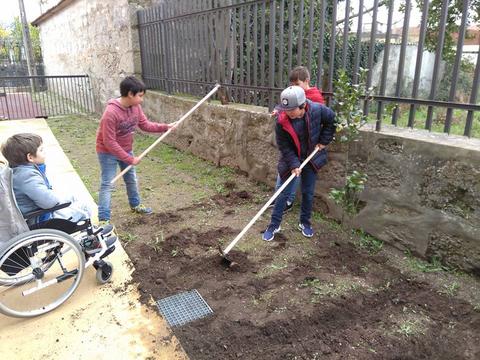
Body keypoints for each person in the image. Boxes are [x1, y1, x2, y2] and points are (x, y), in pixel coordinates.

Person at [1, 133, 114, 254]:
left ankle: (89, 235)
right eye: (41, 150)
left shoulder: (15, 171)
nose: (44, 152)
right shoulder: (27, 176)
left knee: (73, 197)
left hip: (31, 215)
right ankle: (91, 243)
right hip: (40, 220)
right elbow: (49, 202)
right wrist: (62, 200)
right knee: (83, 207)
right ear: (30, 157)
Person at [96, 76, 177, 224]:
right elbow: (109, 142)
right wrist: (130, 159)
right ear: (130, 94)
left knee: (131, 179)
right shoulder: (111, 113)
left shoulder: (136, 108)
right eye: (140, 96)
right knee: (108, 183)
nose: (142, 100)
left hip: (126, 148)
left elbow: (145, 125)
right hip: (107, 152)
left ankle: (135, 205)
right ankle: (103, 218)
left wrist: (166, 127)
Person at [262, 85, 335, 242]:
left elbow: (331, 120)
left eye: (292, 110)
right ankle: (274, 225)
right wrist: (294, 164)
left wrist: (323, 141)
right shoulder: (282, 121)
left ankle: (304, 222)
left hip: (311, 157)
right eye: (285, 109)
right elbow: (284, 147)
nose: (287, 113)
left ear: (303, 106)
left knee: (308, 192)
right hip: (291, 159)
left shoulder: (317, 110)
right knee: (283, 192)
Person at [269, 66, 325, 213]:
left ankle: (287, 200)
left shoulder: (314, 97)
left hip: (304, 145)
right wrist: (278, 109)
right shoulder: (294, 95)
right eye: (292, 85)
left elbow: (318, 118)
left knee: (295, 172)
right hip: (291, 141)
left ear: (306, 81)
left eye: (297, 84)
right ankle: (278, 196)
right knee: (284, 169)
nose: (293, 88)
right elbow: (286, 105)